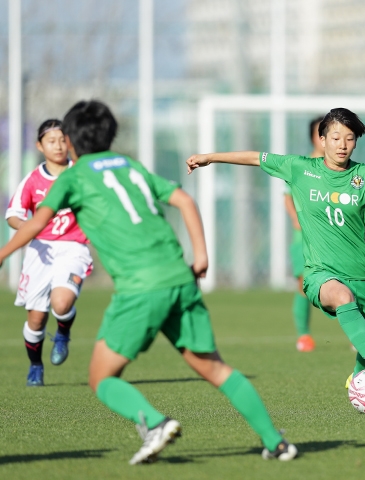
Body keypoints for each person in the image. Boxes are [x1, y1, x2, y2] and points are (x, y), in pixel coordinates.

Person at [0, 100, 297, 464]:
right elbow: (184, 201)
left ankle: (155, 424)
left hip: (140, 288)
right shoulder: (130, 165)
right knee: (214, 367)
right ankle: (276, 442)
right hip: (179, 276)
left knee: (101, 378)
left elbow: (34, 224)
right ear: (111, 135)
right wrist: (201, 256)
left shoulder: (73, 178)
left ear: (73, 141)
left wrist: (1, 255)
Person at [186, 107, 365, 401]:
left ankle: (360, 377)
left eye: (349, 138)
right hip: (320, 273)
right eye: (335, 137)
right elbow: (256, 157)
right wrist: (210, 157)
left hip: (362, 275)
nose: (342, 145)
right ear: (321, 139)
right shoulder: (300, 168)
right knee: (342, 297)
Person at [5, 119, 93, 387]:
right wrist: (30, 227)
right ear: (40, 146)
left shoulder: (81, 174)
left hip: (74, 248)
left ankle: (63, 332)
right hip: (40, 251)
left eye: (62, 139)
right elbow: (13, 215)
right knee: (36, 319)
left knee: (62, 303)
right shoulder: (33, 180)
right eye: (51, 141)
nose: (58, 146)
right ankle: (35, 365)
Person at [286, 115, 324, 352]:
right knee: (304, 285)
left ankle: (356, 335)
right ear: (314, 137)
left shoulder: (342, 169)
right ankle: (304, 335)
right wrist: (296, 219)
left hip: (333, 238)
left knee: (347, 283)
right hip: (304, 239)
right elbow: (286, 195)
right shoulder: (300, 166)